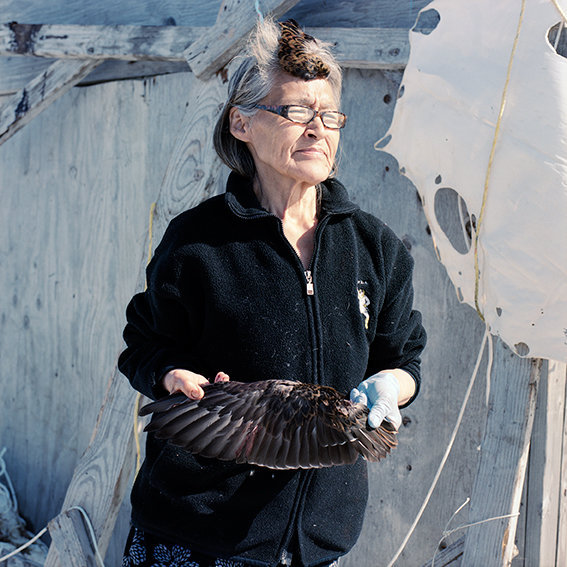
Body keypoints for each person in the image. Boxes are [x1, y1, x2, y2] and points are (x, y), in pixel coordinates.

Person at [119, 18, 426, 567]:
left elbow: (403, 358)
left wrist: (392, 386)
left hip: (317, 546)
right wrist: (171, 374)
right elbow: (143, 343)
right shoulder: (198, 242)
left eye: (329, 116)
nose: (318, 130)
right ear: (242, 123)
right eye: (296, 113)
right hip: (197, 539)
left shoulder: (375, 248)